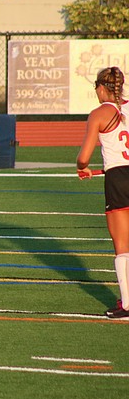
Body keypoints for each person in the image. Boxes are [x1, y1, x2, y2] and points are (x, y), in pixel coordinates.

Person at [77, 66, 129, 319]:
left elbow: (82, 157)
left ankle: (127, 306)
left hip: (118, 180)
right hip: (121, 171)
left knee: (122, 245)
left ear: (101, 86)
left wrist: (83, 168)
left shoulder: (99, 113)